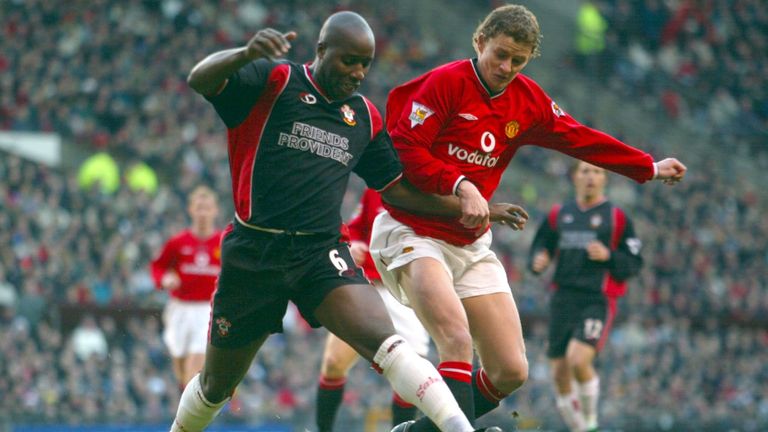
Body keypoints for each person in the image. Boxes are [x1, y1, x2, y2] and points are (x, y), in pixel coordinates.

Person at [171, 10, 526, 432]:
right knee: (215, 386)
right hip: (254, 253)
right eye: (348, 61)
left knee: (390, 345)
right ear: (321, 51)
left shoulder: (365, 117)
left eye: (365, 64)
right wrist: (245, 54)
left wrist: (472, 203)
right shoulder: (274, 81)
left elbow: (398, 191)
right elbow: (200, 79)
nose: (358, 73)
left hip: (319, 255)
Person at [369, 4, 687, 432]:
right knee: (457, 340)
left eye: (518, 61)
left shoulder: (527, 101)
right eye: (500, 54)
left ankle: (423, 431)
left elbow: (578, 137)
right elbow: (406, 151)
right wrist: (462, 184)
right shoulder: (444, 84)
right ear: (479, 42)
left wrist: (646, 167)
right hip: (412, 232)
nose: (506, 67)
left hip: (468, 242)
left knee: (510, 371)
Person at [528, 161, 640, 432]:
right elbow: (541, 245)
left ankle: (591, 422)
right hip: (562, 298)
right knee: (559, 373)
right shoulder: (559, 214)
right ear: (575, 176)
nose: (591, 176)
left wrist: (610, 256)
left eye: (598, 172)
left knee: (579, 360)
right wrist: (538, 260)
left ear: (605, 179)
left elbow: (634, 262)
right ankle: (580, 427)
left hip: (595, 299)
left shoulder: (617, 218)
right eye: (585, 171)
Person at [316, 189, 431, 431]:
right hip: (368, 285)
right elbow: (357, 227)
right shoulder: (376, 190)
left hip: (407, 289)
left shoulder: (429, 190)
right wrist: (354, 243)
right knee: (334, 362)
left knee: (413, 376)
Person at [150, 185, 223, 389]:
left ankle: (195, 410)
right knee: (180, 365)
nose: (203, 213)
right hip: (179, 308)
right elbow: (158, 266)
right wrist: (164, 279)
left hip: (207, 310)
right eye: (199, 207)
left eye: (207, 208)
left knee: (196, 361)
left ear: (215, 211)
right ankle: (187, 403)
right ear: (190, 210)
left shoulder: (222, 243)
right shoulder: (178, 242)